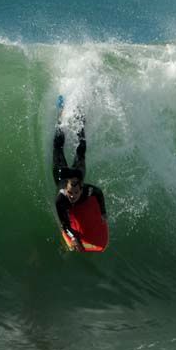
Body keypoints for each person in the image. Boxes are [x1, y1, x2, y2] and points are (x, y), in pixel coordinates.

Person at [52, 98, 107, 251]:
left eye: (75, 193)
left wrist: (103, 213)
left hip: (77, 174)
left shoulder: (86, 191)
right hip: (61, 176)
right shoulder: (61, 199)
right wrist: (74, 237)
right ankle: (60, 114)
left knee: (81, 148)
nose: (72, 196)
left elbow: (98, 192)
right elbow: (65, 224)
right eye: (70, 192)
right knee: (58, 147)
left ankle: (80, 116)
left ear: (81, 189)